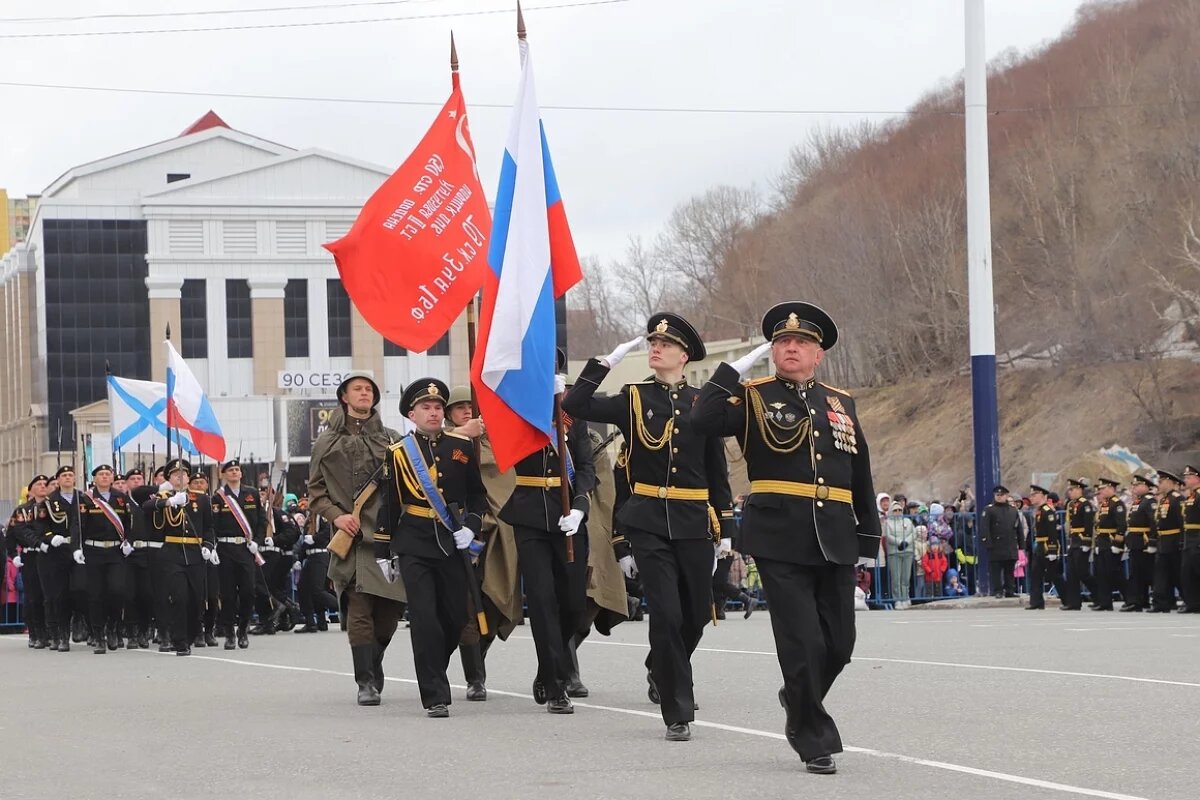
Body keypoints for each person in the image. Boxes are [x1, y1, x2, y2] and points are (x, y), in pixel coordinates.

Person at [692, 301, 881, 775]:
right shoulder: (753, 396)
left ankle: (798, 694)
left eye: (801, 343)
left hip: (835, 533)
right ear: (772, 351)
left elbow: (860, 473)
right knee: (799, 640)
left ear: (819, 354)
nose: (791, 348)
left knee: (839, 644)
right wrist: (731, 371)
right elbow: (702, 422)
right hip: (779, 534)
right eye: (782, 342)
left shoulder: (841, 402)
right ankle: (813, 737)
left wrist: (868, 535)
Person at [564, 312, 735, 743]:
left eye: (665, 345)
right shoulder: (634, 398)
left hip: (695, 520)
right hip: (649, 521)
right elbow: (575, 406)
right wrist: (601, 364)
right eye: (652, 343)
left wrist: (728, 526)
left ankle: (660, 666)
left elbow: (717, 471)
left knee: (697, 612)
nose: (655, 348)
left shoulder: (703, 403)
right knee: (667, 611)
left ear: (684, 355)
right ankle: (677, 709)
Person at [383, 378, 487, 718]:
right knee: (425, 618)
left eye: (438, 407)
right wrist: (384, 549)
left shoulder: (461, 445)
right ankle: (435, 694)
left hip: (453, 540)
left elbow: (477, 495)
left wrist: (471, 526)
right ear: (412, 414)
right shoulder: (399, 453)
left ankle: (433, 669)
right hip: (414, 542)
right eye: (426, 408)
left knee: (455, 617)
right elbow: (389, 504)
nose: (433, 412)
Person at [499, 349, 596, 714]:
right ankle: (556, 686)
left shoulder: (574, 414)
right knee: (541, 601)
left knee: (573, 605)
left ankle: (545, 670)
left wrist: (581, 507)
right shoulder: (517, 411)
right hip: (529, 515)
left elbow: (586, 467)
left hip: (568, 514)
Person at [308, 371, 406, 706]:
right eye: (357, 389)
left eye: (369, 389)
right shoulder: (325, 443)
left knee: (390, 612)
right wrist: (337, 516)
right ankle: (365, 681)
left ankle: (372, 663)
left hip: (386, 537)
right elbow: (315, 493)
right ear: (344, 397)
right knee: (359, 610)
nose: (364, 393)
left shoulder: (392, 440)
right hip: (350, 539)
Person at [142, 458, 216, 656]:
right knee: (179, 597)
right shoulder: (163, 496)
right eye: (175, 475)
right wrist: (169, 501)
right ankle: (179, 640)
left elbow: (208, 527)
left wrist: (209, 546)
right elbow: (146, 507)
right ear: (170, 479)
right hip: (172, 553)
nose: (180, 477)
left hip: (195, 554)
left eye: (183, 474)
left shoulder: (201, 499)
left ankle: (190, 635)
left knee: (196, 600)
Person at [77, 464, 134, 653]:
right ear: (94, 478)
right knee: (95, 595)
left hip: (115, 552)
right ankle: (99, 634)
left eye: (107, 474)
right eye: (100, 474)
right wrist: (77, 548)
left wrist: (128, 541)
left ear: (112, 478)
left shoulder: (121, 498)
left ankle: (113, 625)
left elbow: (129, 523)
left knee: (117, 591)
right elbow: (78, 526)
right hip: (93, 551)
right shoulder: (85, 499)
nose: (104, 477)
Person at [211, 458, 265, 649]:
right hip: (225, 549)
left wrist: (256, 542)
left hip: (246, 548)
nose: (234, 472)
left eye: (237, 469)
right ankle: (229, 634)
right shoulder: (218, 497)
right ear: (224, 475)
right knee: (227, 594)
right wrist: (213, 547)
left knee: (249, 591)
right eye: (230, 470)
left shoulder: (252, 494)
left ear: (241, 473)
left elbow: (261, 520)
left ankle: (242, 629)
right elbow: (213, 525)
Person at [42, 465, 81, 651]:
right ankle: (63, 635)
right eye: (64, 475)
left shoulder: (83, 498)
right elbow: (40, 525)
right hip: (58, 551)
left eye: (70, 475)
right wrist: (50, 537)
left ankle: (80, 621)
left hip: (79, 550)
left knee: (81, 588)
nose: (67, 478)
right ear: (58, 480)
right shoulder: (49, 501)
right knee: (60, 595)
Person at [9, 475, 52, 648]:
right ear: (31, 489)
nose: (42, 486)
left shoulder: (52, 507)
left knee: (49, 595)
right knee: (34, 596)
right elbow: (13, 534)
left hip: (50, 555)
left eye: (45, 484)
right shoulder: (22, 510)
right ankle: (37, 633)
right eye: (39, 484)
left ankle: (51, 631)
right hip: (31, 555)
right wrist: (14, 555)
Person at [121, 468, 156, 648]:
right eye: (132, 479)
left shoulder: (151, 503)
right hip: (129, 554)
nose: (136, 482)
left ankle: (144, 630)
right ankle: (132, 632)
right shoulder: (123, 503)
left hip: (148, 553)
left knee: (147, 594)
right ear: (127, 483)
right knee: (130, 595)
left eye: (139, 478)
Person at [294, 513, 338, 633]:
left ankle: (343, 606)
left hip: (320, 555)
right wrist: (300, 558)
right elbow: (305, 541)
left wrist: (315, 538)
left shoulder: (322, 516)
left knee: (318, 590)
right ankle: (313, 622)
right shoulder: (310, 518)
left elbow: (329, 531)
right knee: (303, 588)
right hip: (310, 557)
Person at [1121, 473, 1158, 612]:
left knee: (1144, 573)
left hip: (1143, 541)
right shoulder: (1138, 501)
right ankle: (1140, 600)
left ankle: (1139, 600)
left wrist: (1152, 541)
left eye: (1137, 485)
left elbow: (1153, 522)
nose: (1134, 487)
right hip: (1135, 542)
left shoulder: (1149, 501)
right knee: (1137, 573)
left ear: (1145, 486)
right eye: (1134, 485)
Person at [1026, 484, 1066, 610]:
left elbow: (1052, 532)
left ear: (1043, 496)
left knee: (1054, 575)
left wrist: (1053, 549)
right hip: (1039, 545)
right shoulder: (1039, 511)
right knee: (1035, 574)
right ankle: (1036, 601)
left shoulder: (1048, 511)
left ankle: (1068, 599)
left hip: (1047, 546)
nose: (1032, 498)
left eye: (1034, 495)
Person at [1150, 469, 1185, 612]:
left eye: (1161, 481)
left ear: (1170, 482)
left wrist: (1182, 541)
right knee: (1161, 573)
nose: (1159, 484)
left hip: (1174, 540)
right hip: (1163, 540)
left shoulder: (1177, 499)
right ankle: (1162, 602)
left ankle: (1189, 599)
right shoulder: (1164, 499)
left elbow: (1182, 522)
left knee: (1178, 573)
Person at [979, 485, 1022, 599]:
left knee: (1009, 569)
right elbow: (985, 528)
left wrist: (1021, 544)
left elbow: (1018, 528)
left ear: (1006, 496)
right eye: (997, 495)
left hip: (1010, 544)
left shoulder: (1013, 510)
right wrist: (987, 543)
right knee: (996, 570)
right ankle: (998, 590)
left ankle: (1010, 590)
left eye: (1001, 495)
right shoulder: (989, 510)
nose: (999, 497)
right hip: (996, 545)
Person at [1091, 478, 1127, 611]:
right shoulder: (1105, 504)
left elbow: (1122, 525)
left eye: (1103, 488)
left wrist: (1117, 544)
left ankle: (1129, 597)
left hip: (1111, 541)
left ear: (1111, 488)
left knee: (1114, 572)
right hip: (1102, 541)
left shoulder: (1117, 504)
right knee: (1101, 573)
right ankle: (1105, 602)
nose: (1101, 491)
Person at [1061, 478, 1096, 610]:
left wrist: (1087, 541)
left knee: (1083, 572)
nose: (1070, 492)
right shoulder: (1071, 504)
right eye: (1069, 490)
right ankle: (1074, 602)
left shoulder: (1085, 505)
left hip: (1082, 540)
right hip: (1074, 541)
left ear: (1079, 490)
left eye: (1072, 489)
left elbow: (1088, 524)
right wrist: (1070, 540)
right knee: (1071, 573)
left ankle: (1098, 594)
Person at [883, 501, 915, 609]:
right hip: (894, 553)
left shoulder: (907, 521)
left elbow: (913, 533)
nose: (898, 512)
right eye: (895, 510)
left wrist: (907, 542)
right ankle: (897, 599)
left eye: (899, 510)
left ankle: (906, 597)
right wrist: (899, 542)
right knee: (896, 578)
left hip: (908, 551)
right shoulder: (888, 523)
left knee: (906, 577)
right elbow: (888, 535)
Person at [1180, 465, 1200, 613]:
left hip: (1198, 536)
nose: (1185, 480)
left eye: (1188, 477)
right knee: (1188, 572)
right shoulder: (1191, 496)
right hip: (1189, 537)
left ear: (1197, 478)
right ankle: (1193, 603)